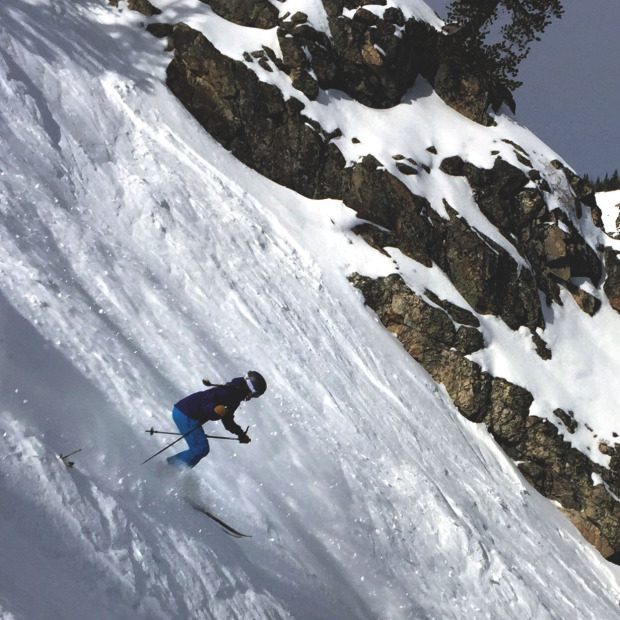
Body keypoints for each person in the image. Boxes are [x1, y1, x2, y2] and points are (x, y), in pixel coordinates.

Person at [166, 371, 267, 468]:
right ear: (251, 388)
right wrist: (213, 408)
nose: (252, 397)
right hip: (186, 413)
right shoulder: (230, 391)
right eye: (255, 394)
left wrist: (240, 434)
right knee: (200, 449)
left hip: (186, 412)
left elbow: (227, 420)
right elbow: (205, 400)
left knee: (201, 449)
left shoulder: (236, 395)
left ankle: (170, 467)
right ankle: (170, 469)